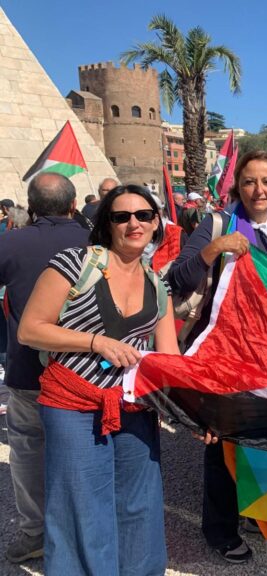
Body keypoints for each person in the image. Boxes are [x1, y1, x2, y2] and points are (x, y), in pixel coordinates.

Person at [17, 184, 178, 575]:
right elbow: (30, 329)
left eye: (143, 215)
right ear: (107, 224)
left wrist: (200, 411)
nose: (133, 223)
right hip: (71, 403)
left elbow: (169, 359)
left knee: (138, 504)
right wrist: (95, 343)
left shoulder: (159, 285)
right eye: (121, 216)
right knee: (81, 506)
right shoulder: (74, 264)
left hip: (132, 407)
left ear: (156, 223)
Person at [167, 150, 267, 564]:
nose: (259, 190)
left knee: (265, 437)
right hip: (224, 353)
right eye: (250, 181)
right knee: (221, 439)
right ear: (238, 185)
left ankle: (260, 513)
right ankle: (220, 528)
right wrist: (214, 249)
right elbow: (178, 277)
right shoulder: (218, 222)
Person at [0, 173, 90, 564]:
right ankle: (84, 530)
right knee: (87, 453)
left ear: (30, 207)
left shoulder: (10, 242)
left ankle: (35, 532)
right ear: (73, 205)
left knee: (29, 451)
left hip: (29, 372)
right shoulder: (99, 244)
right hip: (89, 372)